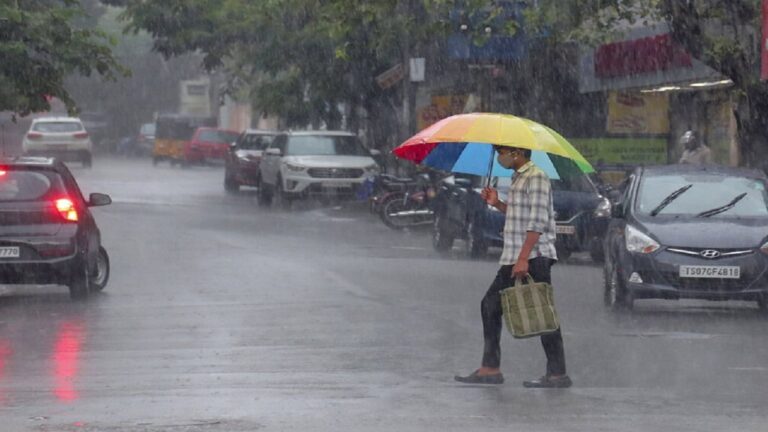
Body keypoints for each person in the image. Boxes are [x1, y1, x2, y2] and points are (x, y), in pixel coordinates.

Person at [454, 145, 571, 388]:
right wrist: (498, 203)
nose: (500, 157)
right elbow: (520, 215)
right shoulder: (519, 177)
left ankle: (557, 374)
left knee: (542, 312)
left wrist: (524, 258)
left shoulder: (536, 177)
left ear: (517, 152)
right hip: (515, 255)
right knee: (491, 306)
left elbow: (538, 221)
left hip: (533, 255)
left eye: (502, 151)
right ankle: (490, 367)